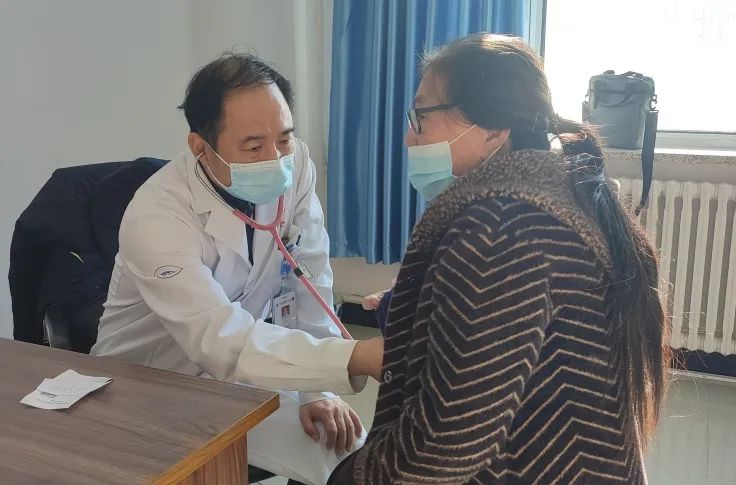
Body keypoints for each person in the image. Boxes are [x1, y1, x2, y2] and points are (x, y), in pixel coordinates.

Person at [329, 34, 669, 484]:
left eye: (421, 116)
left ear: (493, 129)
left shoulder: (500, 226)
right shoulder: (547, 195)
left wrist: (350, 477)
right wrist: (420, 309)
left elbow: (442, 445)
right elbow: (529, 337)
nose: (409, 137)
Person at [90, 53, 383, 485]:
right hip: (152, 386)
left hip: (239, 375)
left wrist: (315, 389)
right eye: (253, 146)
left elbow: (311, 279)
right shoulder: (156, 215)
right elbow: (220, 340)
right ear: (199, 147)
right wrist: (356, 357)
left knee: (349, 456)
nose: (276, 159)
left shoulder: (296, 165)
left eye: (284, 138)